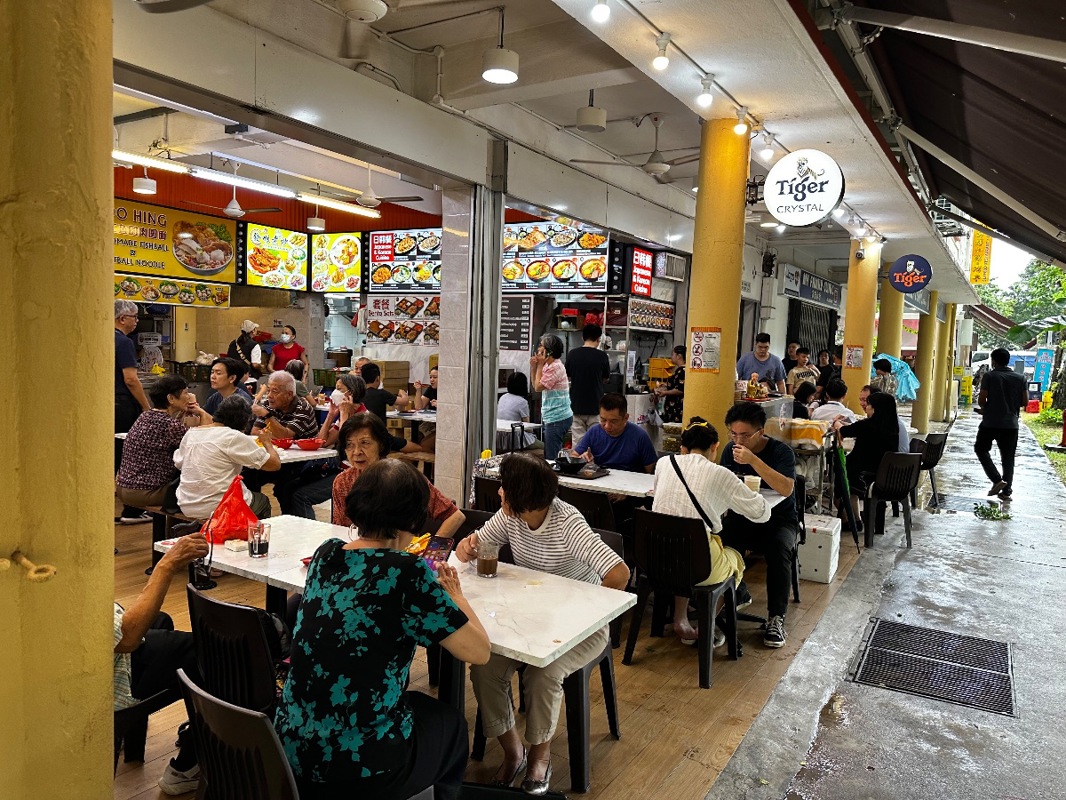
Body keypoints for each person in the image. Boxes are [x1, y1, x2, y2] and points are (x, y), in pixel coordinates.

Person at [276, 459, 490, 800]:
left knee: (418, 705)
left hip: (290, 748)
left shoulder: (326, 554)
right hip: (360, 766)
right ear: (414, 517)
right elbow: (478, 652)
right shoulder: (406, 572)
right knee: (451, 726)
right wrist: (457, 597)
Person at [455, 454, 629, 793]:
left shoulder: (568, 525)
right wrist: (468, 547)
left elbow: (619, 574)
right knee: (483, 664)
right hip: (528, 622)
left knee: (542, 673)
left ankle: (539, 755)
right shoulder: (511, 516)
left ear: (521, 497)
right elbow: (480, 541)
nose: (500, 491)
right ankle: (513, 750)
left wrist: (580, 614)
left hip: (580, 630)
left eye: (505, 487)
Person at [652, 418, 769, 646]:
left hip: (657, 560)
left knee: (684, 548)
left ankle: (680, 619)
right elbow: (762, 513)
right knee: (734, 558)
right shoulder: (720, 474)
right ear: (715, 446)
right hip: (698, 565)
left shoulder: (664, 463)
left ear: (683, 447)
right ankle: (706, 625)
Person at [114, 532, 210, 795]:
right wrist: (166, 565)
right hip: (105, 672)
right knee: (208, 653)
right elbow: (126, 637)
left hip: (107, 645)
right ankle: (187, 764)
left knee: (161, 620)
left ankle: (128, 740)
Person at [718, 401, 799, 649]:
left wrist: (753, 460)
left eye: (745, 435)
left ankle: (776, 617)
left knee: (778, 549)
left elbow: (786, 488)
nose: (738, 440)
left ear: (761, 431)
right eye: (733, 434)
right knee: (719, 539)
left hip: (779, 520)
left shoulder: (780, 452)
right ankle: (734, 593)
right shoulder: (729, 451)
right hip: (743, 518)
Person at [331, 413, 466, 538]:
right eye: (349, 445)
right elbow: (339, 529)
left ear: (381, 444)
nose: (356, 452)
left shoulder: (403, 477)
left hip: (399, 556)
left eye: (364, 443)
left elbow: (455, 516)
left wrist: (432, 553)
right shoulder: (343, 482)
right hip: (359, 557)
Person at [174, 395, 280, 519]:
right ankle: (250, 537)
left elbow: (178, 463)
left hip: (187, 504)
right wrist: (267, 443)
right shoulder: (232, 436)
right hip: (220, 506)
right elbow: (274, 464)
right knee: (262, 501)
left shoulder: (192, 433)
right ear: (244, 422)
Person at [116, 375, 197, 510]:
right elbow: (196, 447)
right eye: (186, 393)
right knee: (200, 488)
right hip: (146, 492)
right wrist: (198, 413)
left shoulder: (144, 416)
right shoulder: (169, 424)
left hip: (123, 488)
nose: (188, 397)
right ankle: (178, 528)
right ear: (171, 398)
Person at [833, 392, 902, 524]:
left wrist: (837, 423)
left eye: (869, 404)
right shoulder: (893, 427)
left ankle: (851, 519)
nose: (866, 407)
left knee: (840, 474)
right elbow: (854, 428)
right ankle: (856, 517)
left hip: (863, 476)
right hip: (885, 475)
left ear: (876, 408)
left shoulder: (868, 425)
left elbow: (844, 431)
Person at [115, 299, 152, 524]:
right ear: (122, 319)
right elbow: (130, 379)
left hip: (106, 403)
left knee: (111, 455)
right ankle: (132, 510)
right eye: (134, 317)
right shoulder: (124, 342)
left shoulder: (100, 337)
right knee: (129, 456)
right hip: (123, 405)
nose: (137, 321)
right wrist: (147, 408)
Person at [975, 347, 1027, 499]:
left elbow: (982, 399)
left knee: (981, 449)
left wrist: (986, 409)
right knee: (1008, 458)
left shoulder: (990, 376)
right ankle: (1006, 492)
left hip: (990, 423)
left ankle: (997, 480)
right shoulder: (1020, 378)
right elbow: (1024, 402)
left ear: (994, 361)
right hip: (1011, 425)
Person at [575, 393, 658, 474]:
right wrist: (582, 459)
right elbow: (574, 456)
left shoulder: (640, 437)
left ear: (625, 418)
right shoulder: (594, 432)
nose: (607, 426)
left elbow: (651, 471)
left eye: (613, 421)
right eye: (603, 420)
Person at [565, 324, 611, 441]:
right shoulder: (602, 356)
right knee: (595, 442)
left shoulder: (572, 354)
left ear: (583, 338)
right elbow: (606, 378)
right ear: (599, 339)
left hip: (576, 406)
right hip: (596, 406)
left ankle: (579, 459)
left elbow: (568, 376)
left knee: (578, 442)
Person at [530, 334, 573, 458]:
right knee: (551, 453)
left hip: (557, 417)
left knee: (551, 457)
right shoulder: (548, 366)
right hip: (552, 416)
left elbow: (538, 387)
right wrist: (534, 368)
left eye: (541, 346)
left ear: (549, 350)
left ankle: (554, 476)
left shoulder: (555, 367)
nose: (538, 349)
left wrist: (539, 365)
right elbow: (536, 386)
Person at [497, 371, 543, 451]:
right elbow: (528, 427)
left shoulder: (503, 397)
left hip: (499, 437)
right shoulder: (522, 402)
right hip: (516, 438)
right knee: (545, 447)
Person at [860, 387, 909, 451]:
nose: (861, 404)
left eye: (866, 401)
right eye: (860, 400)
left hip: (894, 459)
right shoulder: (884, 418)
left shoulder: (887, 423)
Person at [654, 345, 687, 423]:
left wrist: (665, 392)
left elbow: (680, 389)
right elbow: (676, 384)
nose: (671, 357)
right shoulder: (680, 370)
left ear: (679, 356)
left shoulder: (682, 371)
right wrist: (666, 385)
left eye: (672, 354)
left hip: (677, 409)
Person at [412, 367, 438, 453]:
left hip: (442, 427)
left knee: (424, 444)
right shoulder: (431, 389)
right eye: (430, 377)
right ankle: (413, 465)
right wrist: (418, 390)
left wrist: (441, 405)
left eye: (435, 377)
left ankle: (431, 466)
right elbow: (419, 407)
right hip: (430, 424)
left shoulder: (448, 391)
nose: (432, 380)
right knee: (414, 441)